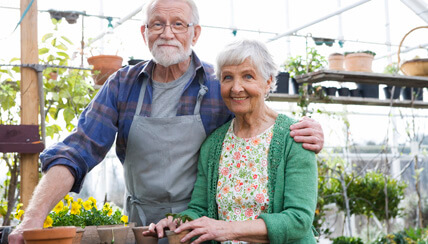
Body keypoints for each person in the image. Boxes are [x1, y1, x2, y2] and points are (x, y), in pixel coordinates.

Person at [9, 0, 323, 243]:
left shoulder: (218, 85)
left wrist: (309, 130)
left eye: (178, 24)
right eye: (157, 24)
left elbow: (259, 117)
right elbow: (78, 150)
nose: (167, 32)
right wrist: (34, 217)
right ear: (144, 33)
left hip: (200, 231)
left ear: (195, 33)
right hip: (144, 227)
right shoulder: (122, 85)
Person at [147, 39, 318, 244]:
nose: (236, 88)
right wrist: (177, 222)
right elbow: (200, 209)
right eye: (228, 77)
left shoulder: (295, 138)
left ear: (269, 81)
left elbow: (298, 220)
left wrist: (227, 230)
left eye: (248, 76)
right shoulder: (214, 144)